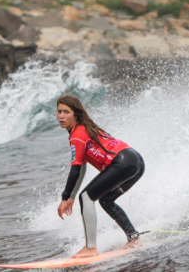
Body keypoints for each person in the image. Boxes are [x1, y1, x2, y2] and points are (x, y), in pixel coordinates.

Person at [56, 95, 145, 259]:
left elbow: (75, 170)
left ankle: (90, 248)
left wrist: (65, 197)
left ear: (76, 114)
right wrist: (71, 197)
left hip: (123, 162)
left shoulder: (77, 135)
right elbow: (81, 168)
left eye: (66, 112)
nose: (61, 116)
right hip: (135, 160)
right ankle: (134, 238)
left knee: (87, 197)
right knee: (106, 200)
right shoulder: (85, 128)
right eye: (59, 111)